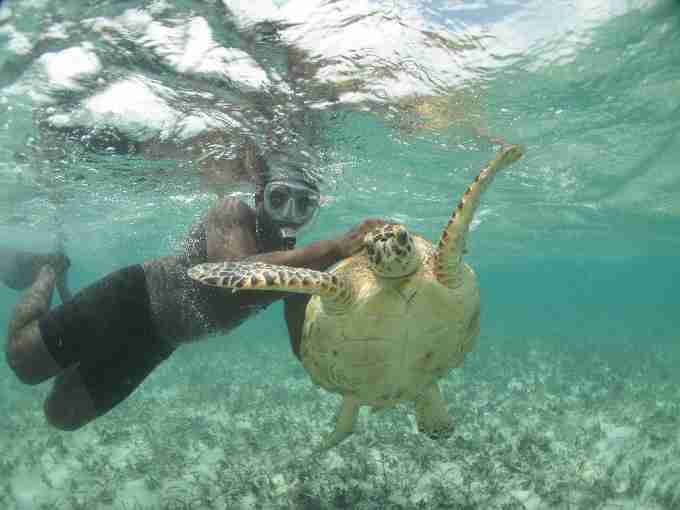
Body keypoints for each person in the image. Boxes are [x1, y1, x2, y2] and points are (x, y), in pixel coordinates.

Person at [2, 149, 383, 431]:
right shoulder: (232, 211)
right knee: (24, 360)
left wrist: (355, 371)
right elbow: (234, 278)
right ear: (260, 193)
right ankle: (47, 270)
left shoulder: (301, 263)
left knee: (62, 415)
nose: (288, 212)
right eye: (280, 197)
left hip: (160, 341)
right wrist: (332, 248)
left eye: (304, 205)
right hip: (134, 297)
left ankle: (69, 352)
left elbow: (303, 344)